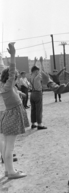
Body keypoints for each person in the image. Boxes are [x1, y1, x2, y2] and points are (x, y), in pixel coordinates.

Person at [0, 42, 29, 179]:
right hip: (12, 116)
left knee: (7, 146)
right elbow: (11, 70)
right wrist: (12, 55)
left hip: (8, 116)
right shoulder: (8, 86)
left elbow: (7, 72)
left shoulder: (5, 87)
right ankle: (11, 172)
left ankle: (8, 170)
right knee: (10, 147)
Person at [30, 57, 47, 130]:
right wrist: (41, 62)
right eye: (38, 70)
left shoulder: (31, 76)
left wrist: (34, 62)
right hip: (38, 93)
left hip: (32, 94)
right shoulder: (38, 76)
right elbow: (44, 72)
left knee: (33, 109)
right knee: (39, 109)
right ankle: (40, 124)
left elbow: (32, 69)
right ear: (36, 71)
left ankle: (33, 123)